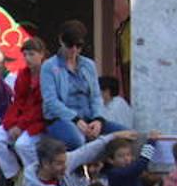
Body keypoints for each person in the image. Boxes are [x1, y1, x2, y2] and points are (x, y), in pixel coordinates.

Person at [40, 20, 127, 150]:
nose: (74, 49)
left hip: (89, 117)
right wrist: (75, 119)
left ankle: (108, 168)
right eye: (70, 45)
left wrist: (98, 119)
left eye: (79, 45)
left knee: (126, 135)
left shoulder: (88, 65)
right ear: (61, 41)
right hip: (61, 119)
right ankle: (80, 169)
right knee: (77, 140)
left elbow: (96, 96)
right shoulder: (49, 66)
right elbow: (51, 101)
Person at [0, 37, 47, 179]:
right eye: (25, 55)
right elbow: (17, 102)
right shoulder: (23, 75)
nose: (27, 58)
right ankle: (15, 174)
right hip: (19, 120)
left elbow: (40, 107)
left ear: (42, 54)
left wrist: (20, 125)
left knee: (23, 145)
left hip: (38, 122)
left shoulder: (47, 74)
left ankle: (37, 177)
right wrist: (11, 123)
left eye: (31, 54)